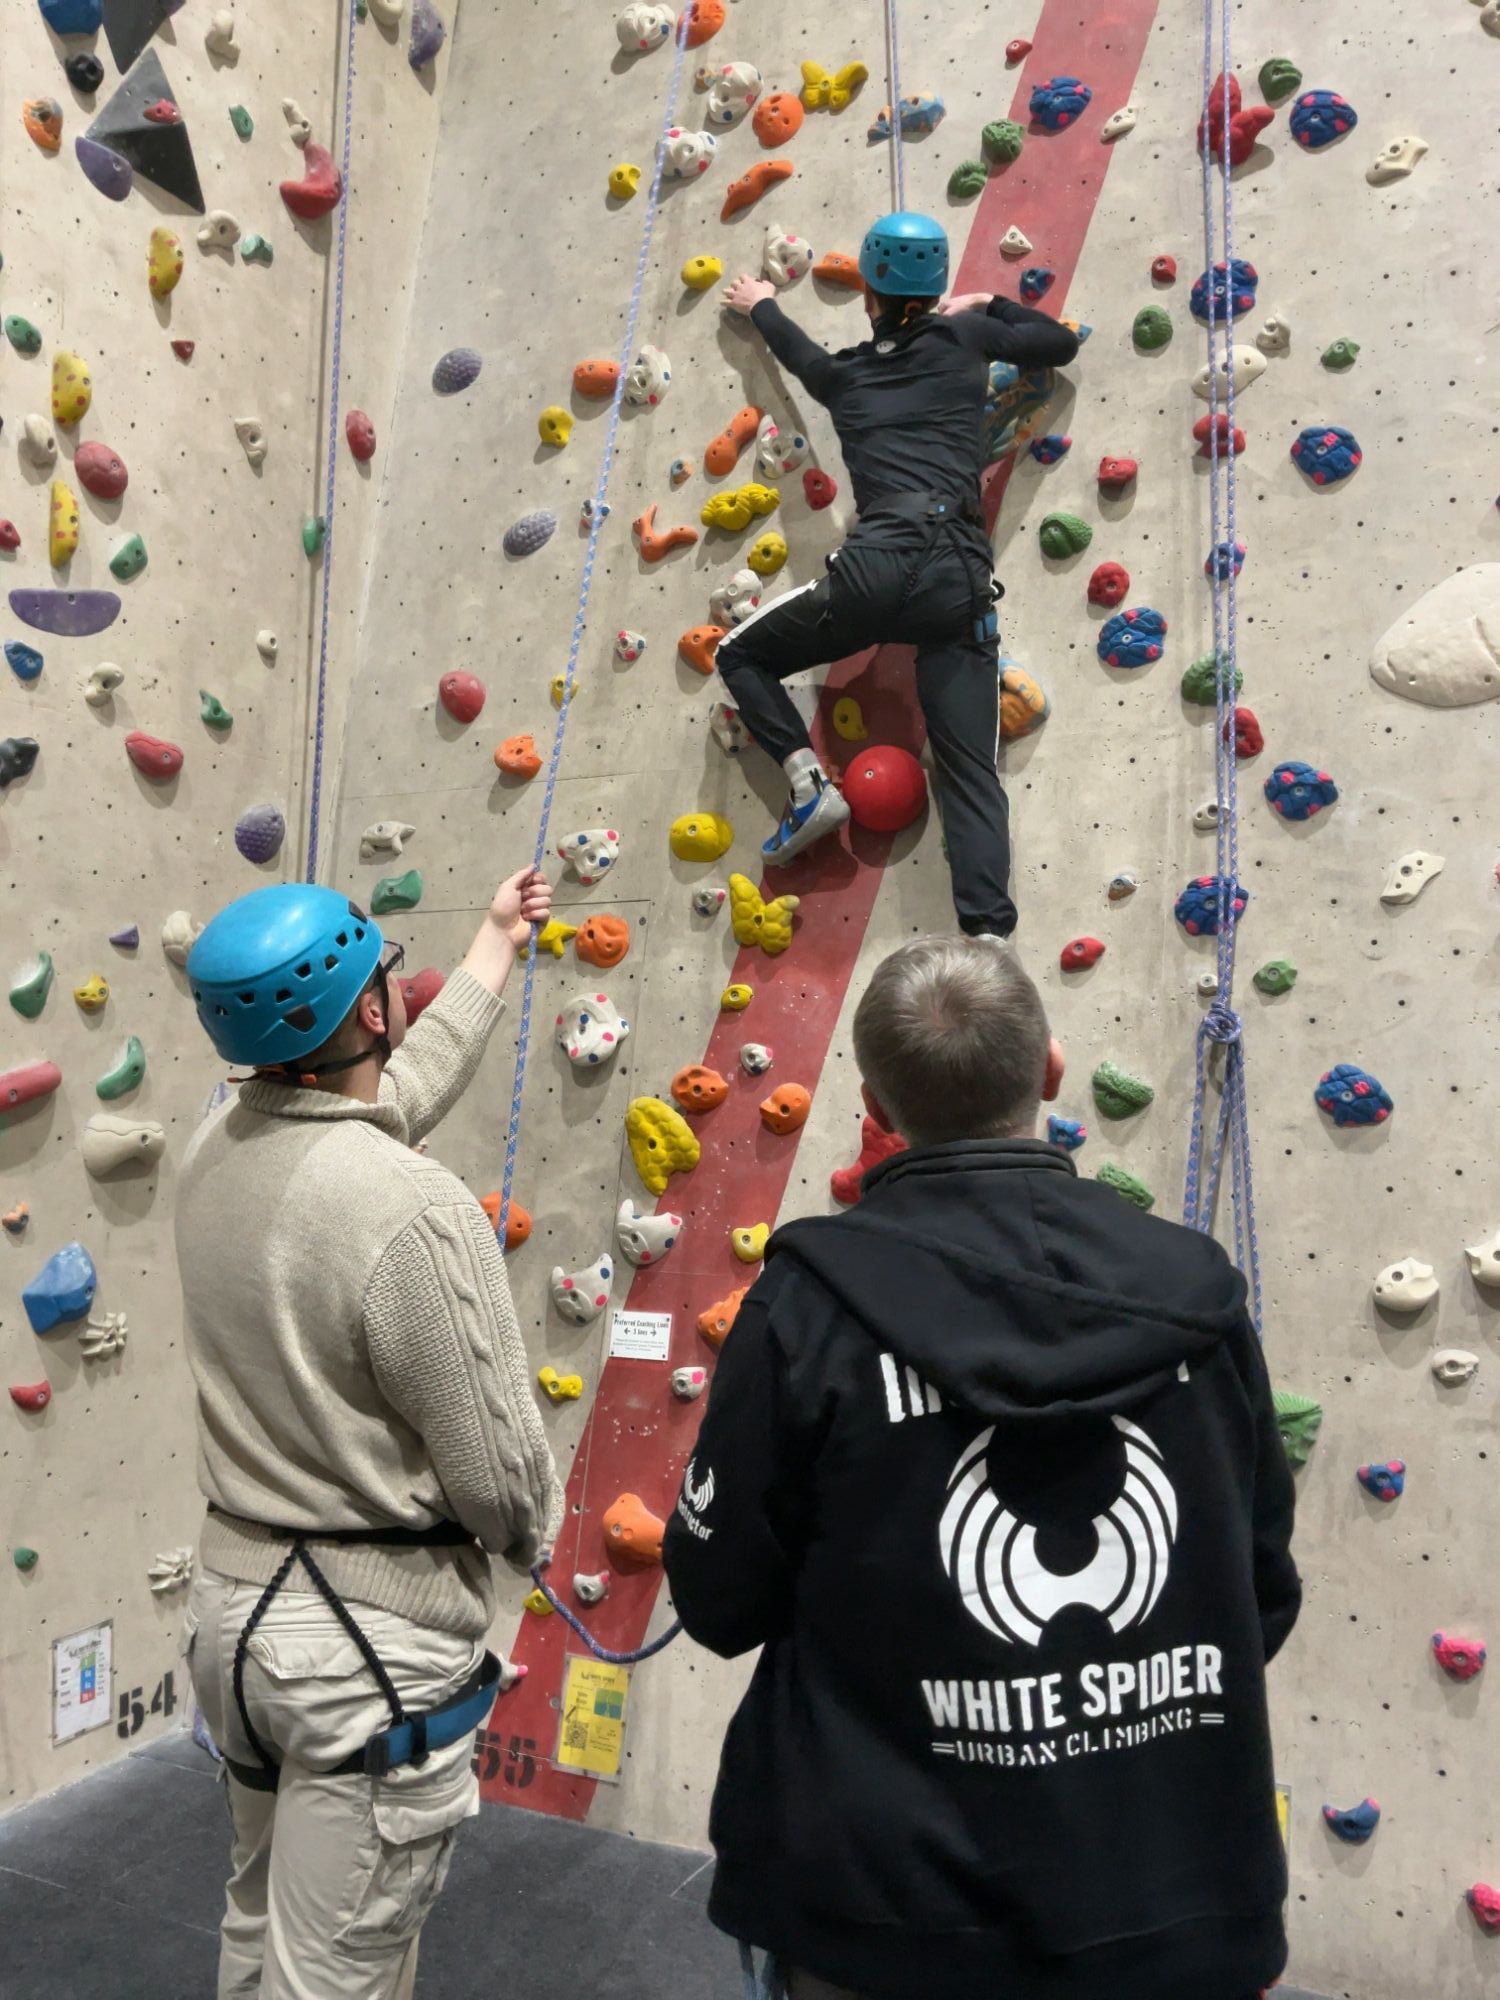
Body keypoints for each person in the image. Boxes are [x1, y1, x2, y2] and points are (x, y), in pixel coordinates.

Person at [663, 936, 1300, 2000]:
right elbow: (1259, 1584)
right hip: (1170, 1897)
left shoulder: (806, 1308)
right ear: (1050, 1068)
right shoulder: (1194, 1293)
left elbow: (720, 1599)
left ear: (874, 1101)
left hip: (884, 1914)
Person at [176, 868, 563, 2000]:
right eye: (385, 980)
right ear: (369, 1011)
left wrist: (495, 943)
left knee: (258, 1932)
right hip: (366, 1652)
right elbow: (498, 1475)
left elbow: (380, 1101)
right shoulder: (417, 1207)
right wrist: (527, 1542)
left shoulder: (212, 1148)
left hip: (237, 1630)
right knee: (335, 1974)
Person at [714, 212, 1079, 941]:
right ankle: (988, 937)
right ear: (936, 286)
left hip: (875, 570)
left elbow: (796, 353)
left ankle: (806, 783)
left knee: (739, 653)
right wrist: (987, 306)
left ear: (868, 297)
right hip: (955, 576)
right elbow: (1057, 346)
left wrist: (760, 304)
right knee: (970, 770)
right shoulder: (962, 337)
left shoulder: (842, 376)